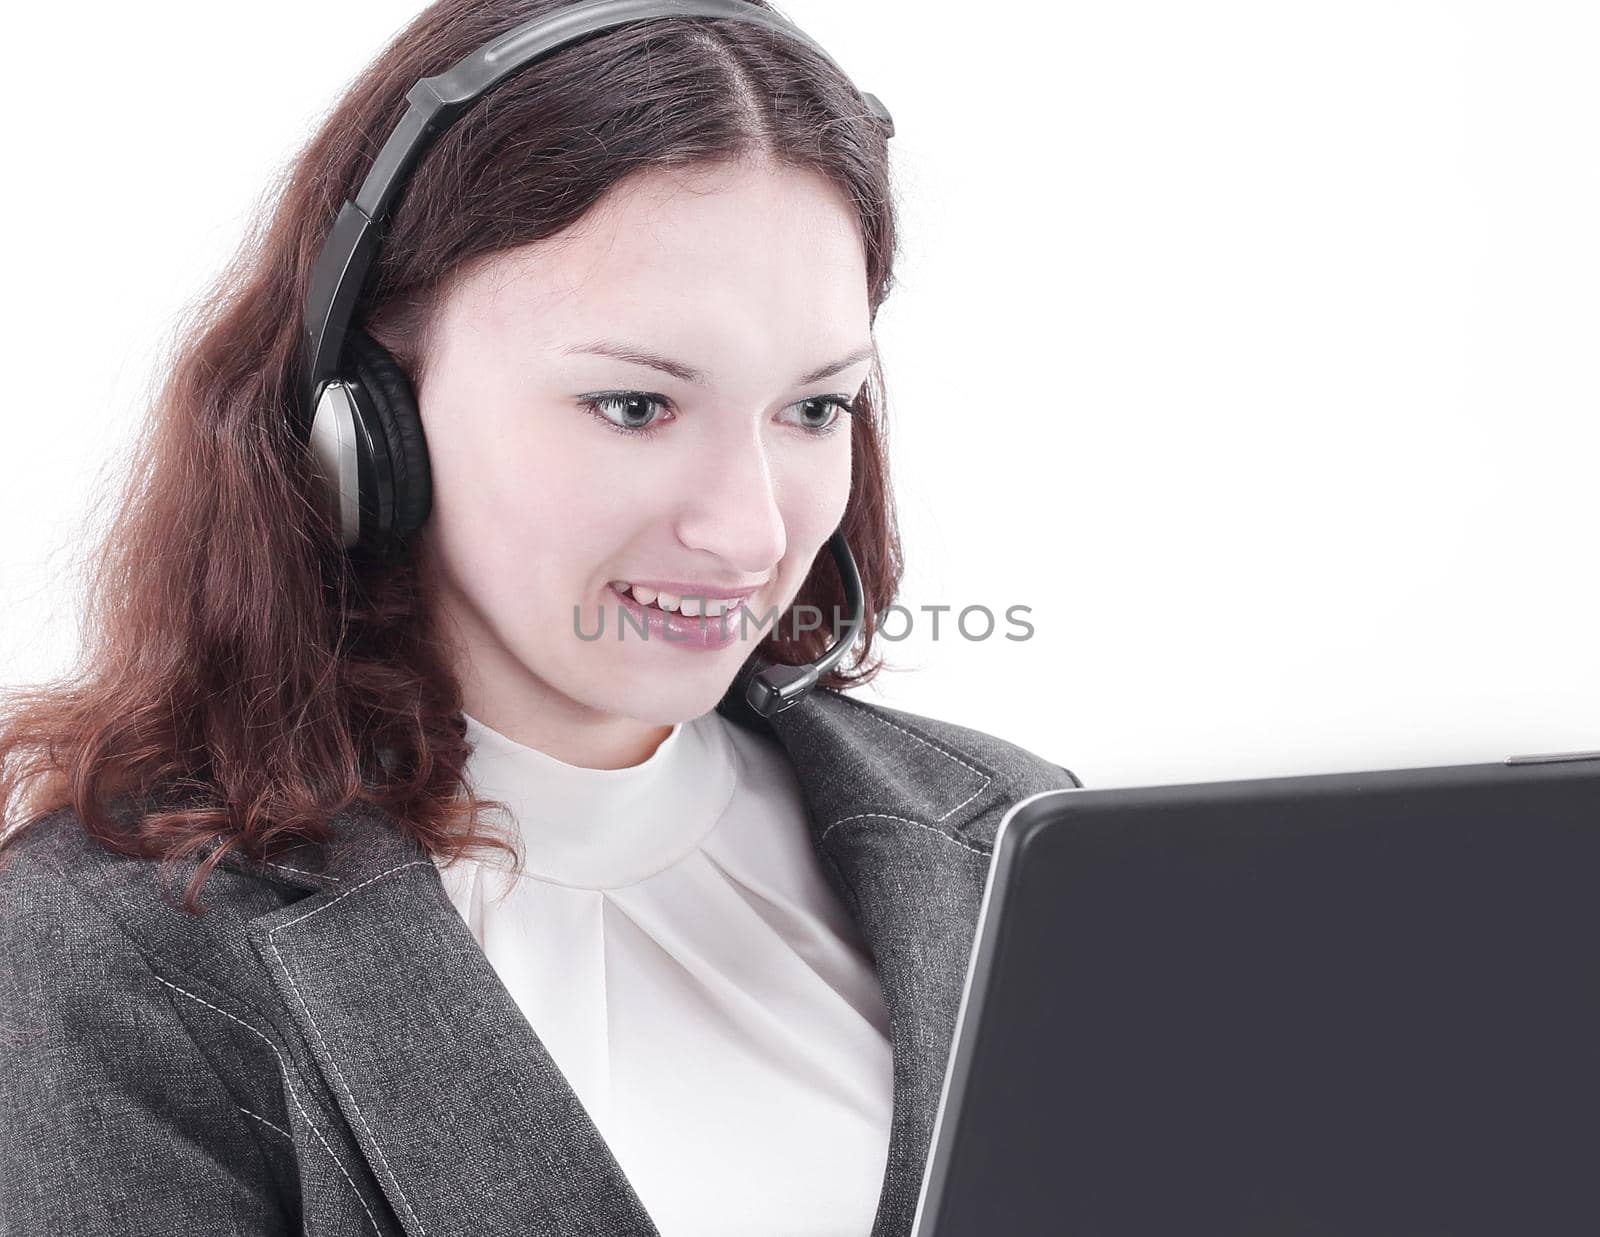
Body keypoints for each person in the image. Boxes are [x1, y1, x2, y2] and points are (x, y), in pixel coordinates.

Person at [0, 2, 1080, 1234]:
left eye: (814, 409)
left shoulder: (1013, 841)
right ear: (368, 418)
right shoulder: (112, 955)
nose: (753, 531)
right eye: (632, 405)